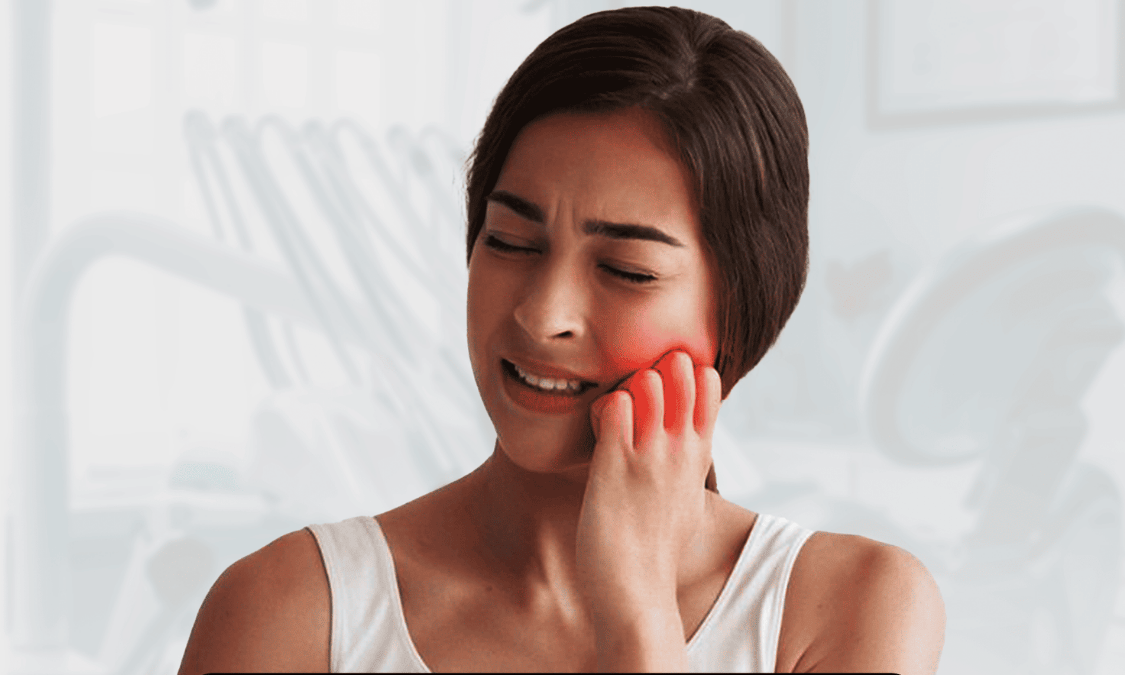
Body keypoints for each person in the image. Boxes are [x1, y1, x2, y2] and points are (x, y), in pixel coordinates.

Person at [178, 6, 944, 673]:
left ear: (742, 305)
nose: (543, 315)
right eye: (510, 241)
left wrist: (638, 610)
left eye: (624, 268)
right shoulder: (289, 612)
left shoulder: (849, 608)